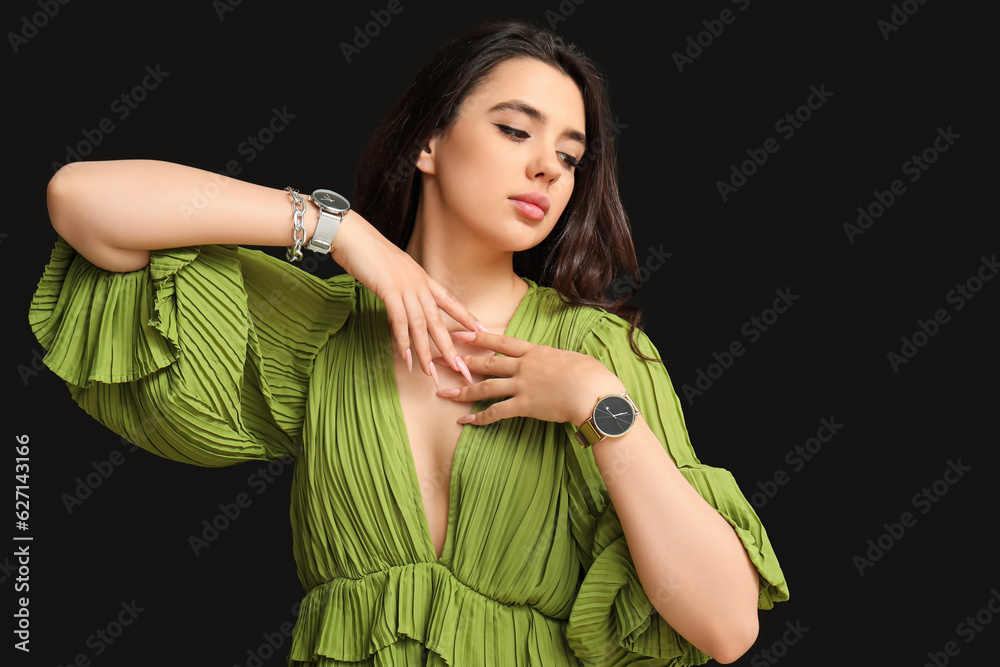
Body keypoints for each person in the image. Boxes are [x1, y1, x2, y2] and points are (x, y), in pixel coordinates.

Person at [30, 19, 787, 666]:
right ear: (429, 142)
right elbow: (82, 199)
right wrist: (340, 231)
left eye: (569, 155)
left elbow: (726, 625)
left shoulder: (594, 353)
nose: (545, 169)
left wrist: (600, 406)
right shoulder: (328, 335)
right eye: (516, 129)